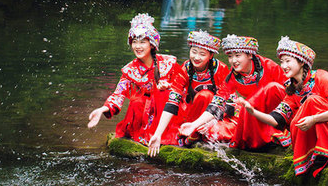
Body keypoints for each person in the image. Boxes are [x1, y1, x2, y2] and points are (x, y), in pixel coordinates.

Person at [243, 36, 328, 177]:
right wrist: (253, 112)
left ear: (301, 62)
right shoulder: (291, 89)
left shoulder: (321, 77)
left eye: (288, 61)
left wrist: (313, 119)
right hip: (318, 123)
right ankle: (313, 152)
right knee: (296, 121)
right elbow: (278, 119)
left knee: (312, 101)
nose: (283, 66)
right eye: (282, 61)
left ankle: (324, 151)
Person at [179, 34, 290, 149]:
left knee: (272, 88)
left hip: (276, 114)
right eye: (230, 57)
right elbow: (217, 103)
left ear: (250, 55)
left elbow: (290, 91)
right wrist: (194, 124)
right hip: (250, 112)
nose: (233, 61)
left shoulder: (269, 66)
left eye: (237, 55)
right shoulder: (232, 77)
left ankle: (276, 130)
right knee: (210, 130)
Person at [87, 13, 182, 146]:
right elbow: (118, 94)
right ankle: (144, 133)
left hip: (168, 111)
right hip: (145, 114)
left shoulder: (168, 63)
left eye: (142, 42)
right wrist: (102, 109)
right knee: (136, 101)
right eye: (135, 42)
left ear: (152, 44)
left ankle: (165, 133)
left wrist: (169, 86)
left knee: (163, 94)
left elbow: (184, 85)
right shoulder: (130, 70)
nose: (138, 46)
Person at [148, 30, 233, 156]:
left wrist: (211, 121)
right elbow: (173, 101)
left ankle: (198, 133)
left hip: (217, 116)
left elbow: (230, 102)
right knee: (165, 93)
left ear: (211, 56)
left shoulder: (221, 69)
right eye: (193, 52)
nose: (196, 57)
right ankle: (193, 133)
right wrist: (158, 134)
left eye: (202, 54)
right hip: (194, 113)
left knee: (206, 95)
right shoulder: (185, 69)